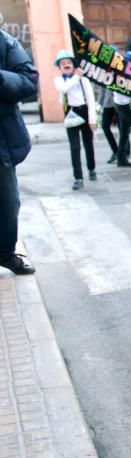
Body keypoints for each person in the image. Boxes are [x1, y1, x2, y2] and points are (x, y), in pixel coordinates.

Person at [0, 25, 38, 275]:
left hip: (1, 141)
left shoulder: (6, 41)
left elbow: (29, 81)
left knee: (7, 203)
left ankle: (5, 253)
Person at [52, 50, 97, 190]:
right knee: (74, 147)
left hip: (83, 111)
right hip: (70, 113)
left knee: (88, 144)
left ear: (73, 64)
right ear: (59, 67)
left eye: (68, 62)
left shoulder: (84, 81)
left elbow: (90, 100)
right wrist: (76, 77)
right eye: (63, 63)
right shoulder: (59, 80)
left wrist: (92, 119)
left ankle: (91, 168)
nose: (66, 65)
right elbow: (64, 89)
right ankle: (78, 177)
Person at [96, 85, 119, 164]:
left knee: (123, 128)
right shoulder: (106, 72)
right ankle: (115, 150)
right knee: (105, 127)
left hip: (120, 102)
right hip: (108, 103)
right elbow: (102, 88)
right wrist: (99, 104)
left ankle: (125, 152)